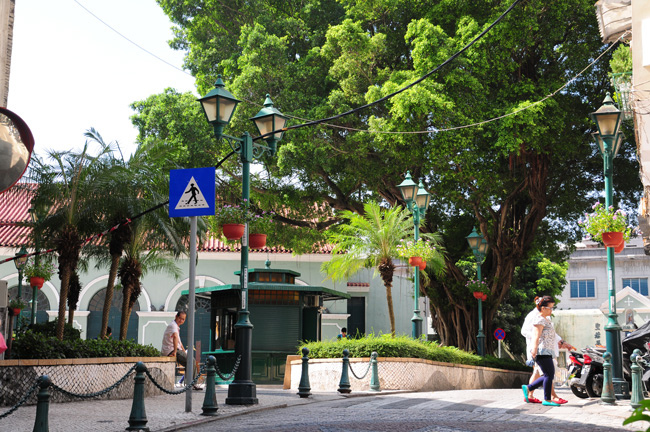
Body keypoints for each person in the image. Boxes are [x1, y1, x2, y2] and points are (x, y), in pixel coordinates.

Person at [521, 299, 573, 404]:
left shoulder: (546, 319)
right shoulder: (537, 318)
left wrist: (562, 342)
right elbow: (534, 335)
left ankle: (529, 389)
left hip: (548, 350)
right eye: (550, 308)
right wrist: (534, 348)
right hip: (541, 350)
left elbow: (552, 334)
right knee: (548, 374)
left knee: (547, 374)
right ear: (543, 307)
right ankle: (548, 398)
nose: (552, 310)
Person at [162, 311, 200, 390]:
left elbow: (179, 342)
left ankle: (190, 384)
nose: (181, 320)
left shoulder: (176, 326)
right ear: (176, 316)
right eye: (180, 318)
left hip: (175, 350)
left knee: (190, 361)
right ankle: (191, 384)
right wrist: (175, 352)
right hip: (171, 350)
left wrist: (184, 351)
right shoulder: (173, 326)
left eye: (183, 319)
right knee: (191, 361)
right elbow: (175, 337)